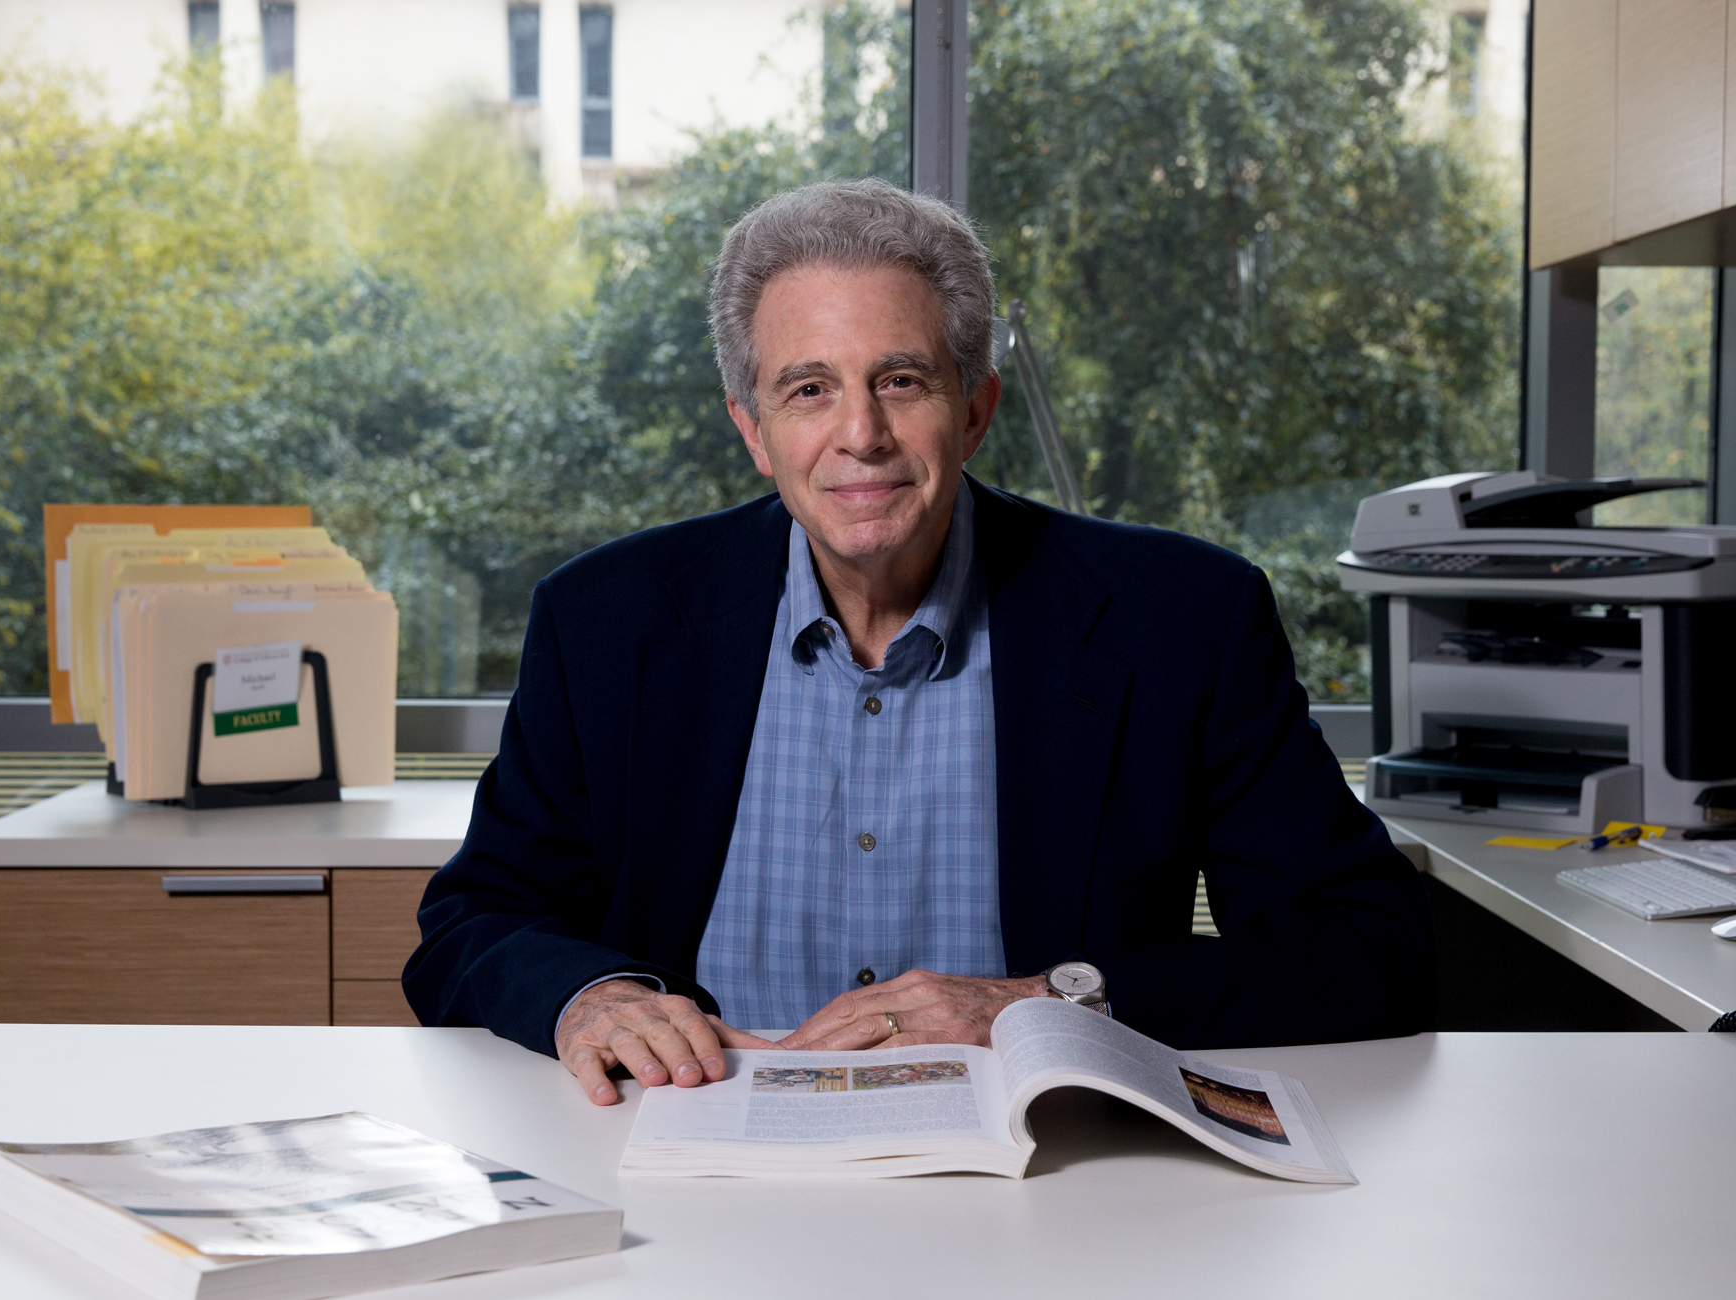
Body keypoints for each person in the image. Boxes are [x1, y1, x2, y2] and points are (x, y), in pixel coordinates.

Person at [402, 178, 1434, 1107]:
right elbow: (475, 921)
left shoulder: (1183, 617)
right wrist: (594, 998)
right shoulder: (602, 619)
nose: (861, 434)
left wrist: (1045, 1002)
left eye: (900, 380)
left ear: (976, 409)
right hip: (701, 1142)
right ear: (753, 429)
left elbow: (1372, 944)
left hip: (1054, 1178)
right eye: (809, 389)